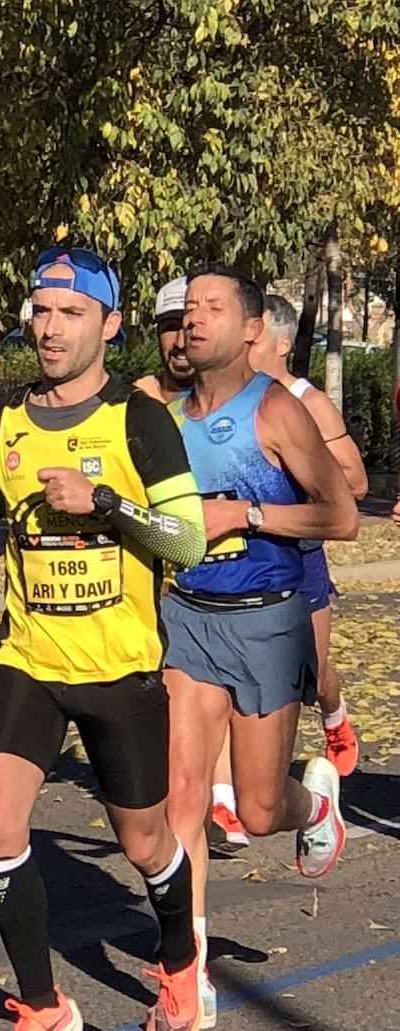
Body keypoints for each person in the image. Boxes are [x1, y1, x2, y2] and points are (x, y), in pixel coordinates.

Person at [0, 246, 208, 1031]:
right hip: (28, 656)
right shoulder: (4, 418)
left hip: (121, 666)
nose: (49, 328)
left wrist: (104, 502)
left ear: (110, 323)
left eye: (69, 313)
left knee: (145, 842)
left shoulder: (140, 420)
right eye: (40, 310)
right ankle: (42, 1005)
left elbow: (188, 540)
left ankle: (180, 964)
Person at [162, 263, 358, 1028]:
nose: (193, 319)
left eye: (213, 307)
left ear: (251, 330)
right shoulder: (165, 416)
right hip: (188, 617)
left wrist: (242, 512)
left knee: (258, 802)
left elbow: (339, 515)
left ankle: (314, 806)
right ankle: (187, 974)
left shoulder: (274, 410)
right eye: (187, 308)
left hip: (267, 618)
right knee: (184, 795)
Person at [195, 294, 370, 853]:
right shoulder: (205, 401)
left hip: (294, 562)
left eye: (257, 335)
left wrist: (277, 489)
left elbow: (354, 487)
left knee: (314, 677)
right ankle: (222, 798)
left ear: (279, 342)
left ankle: (335, 718)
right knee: (216, 689)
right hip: (217, 579)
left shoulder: (302, 402)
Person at [133, 276, 194, 404]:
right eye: (171, 327)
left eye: (190, 327)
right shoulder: (136, 399)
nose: (180, 343)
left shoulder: (235, 404)